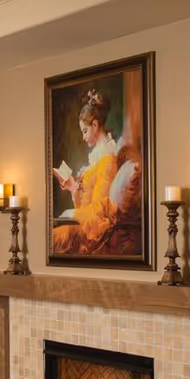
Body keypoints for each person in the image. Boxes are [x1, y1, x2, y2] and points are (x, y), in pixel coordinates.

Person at [52, 90, 141, 255]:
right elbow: (87, 204)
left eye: (85, 131)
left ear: (95, 125)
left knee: (55, 238)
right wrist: (73, 189)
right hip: (87, 222)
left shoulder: (107, 159)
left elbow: (99, 211)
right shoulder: (97, 157)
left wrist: (75, 213)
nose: (83, 137)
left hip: (95, 228)